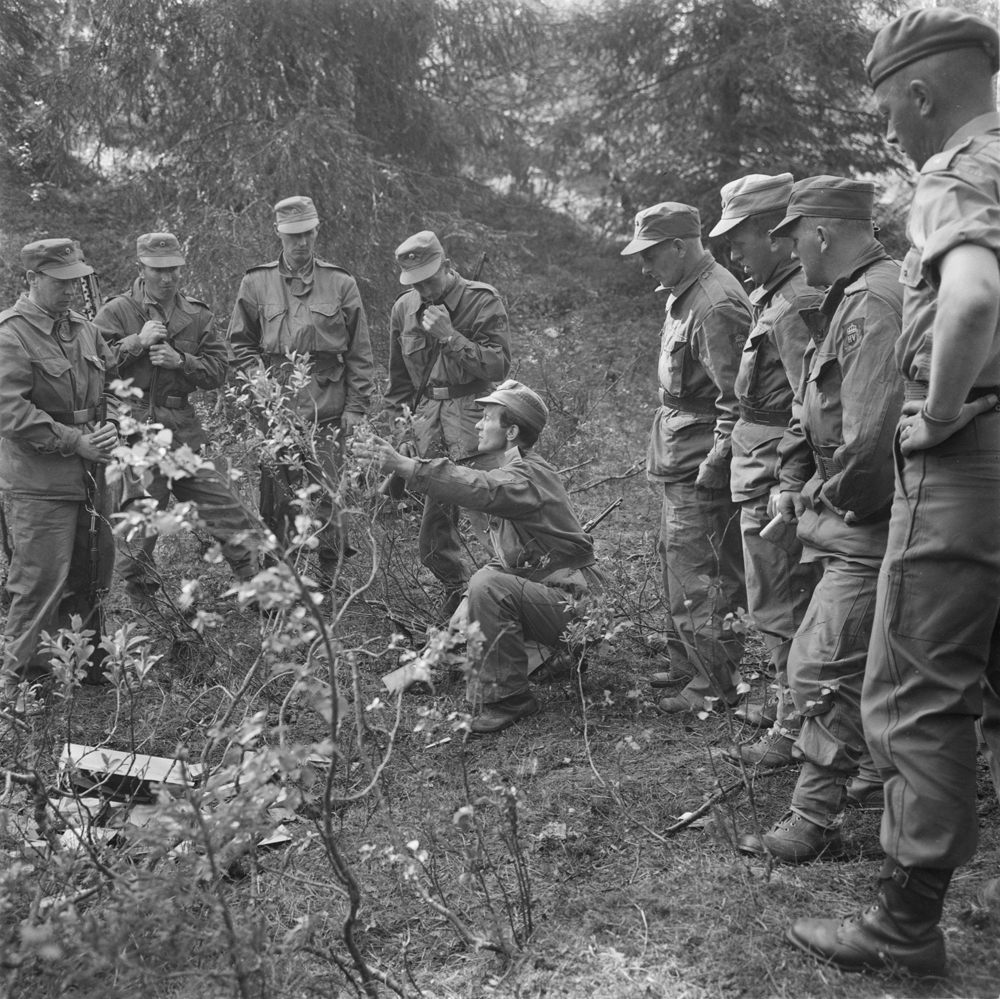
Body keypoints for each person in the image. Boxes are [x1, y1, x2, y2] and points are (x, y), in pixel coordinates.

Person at [788, 8, 1000, 976]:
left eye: (887, 110)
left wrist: (945, 409)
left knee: (916, 691)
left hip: (969, 462)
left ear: (918, 92)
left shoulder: (956, 174)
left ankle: (906, 921)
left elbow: (970, 300)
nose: (889, 132)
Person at [735, 177, 903, 864]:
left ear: (823, 232)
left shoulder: (874, 302)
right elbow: (816, 410)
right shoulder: (846, 299)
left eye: (791, 233)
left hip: (874, 513)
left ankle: (813, 816)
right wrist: (798, 479)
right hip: (858, 509)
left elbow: (869, 440)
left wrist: (821, 497)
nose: (786, 247)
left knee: (821, 662)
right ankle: (866, 772)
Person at [356, 380, 602, 734]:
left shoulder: (528, 476)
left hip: (578, 608)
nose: (477, 424)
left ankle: (509, 699)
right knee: (484, 584)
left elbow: (481, 489)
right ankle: (555, 658)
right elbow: (499, 570)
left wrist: (409, 467)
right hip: (559, 603)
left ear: (512, 431)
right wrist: (429, 659)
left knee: (487, 585)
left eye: (487, 418)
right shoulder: (514, 470)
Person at [706, 173, 824, 768]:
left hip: (777, 475)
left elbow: (816, 404)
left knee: (782, 604)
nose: (732, 253)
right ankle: (792, 705)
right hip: (760, 468)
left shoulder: (797, 302)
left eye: (741, 237)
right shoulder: (773, 296)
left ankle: (793, 725)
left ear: (777, 234)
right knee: (770, 599)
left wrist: (789, 483)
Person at [620, 203, 749, 715]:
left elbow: (740, 400)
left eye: (651, 255)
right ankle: (687, 663)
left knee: (705, 573)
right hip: (680, 454)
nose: (644, 267)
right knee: (678, 559)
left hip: (701, 464)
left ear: (679, 245)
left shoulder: (715, 304)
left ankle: (711, 685)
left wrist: (717, 461)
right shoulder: (686, 294)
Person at [95, 232, 258, 609]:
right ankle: (141, 610)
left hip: (181, 434)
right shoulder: (117, 312)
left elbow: (219, 371)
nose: (167, 278)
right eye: (158, 271)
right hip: (133, 436)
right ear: (140, 268)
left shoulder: (197, 315)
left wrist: (181, 361)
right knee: (140, 527)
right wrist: (136, 341)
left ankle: (256, 590)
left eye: (173, 270)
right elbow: (92, 367)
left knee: (226, 508)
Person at [228, 196, 375, 584]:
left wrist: (357, 406)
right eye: (293, 235)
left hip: (328, 404)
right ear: (279, 234)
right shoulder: (256, 282)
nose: (301, 243)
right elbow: (238, 344)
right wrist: (259, 381)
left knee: (328, 493)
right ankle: (278, 576)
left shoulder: (340, 282)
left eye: (307, 234)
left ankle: (330, 574)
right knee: (276, 497)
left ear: (316, 231)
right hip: (277, 410)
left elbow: (360, 350)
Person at [0, 239, 119, 709]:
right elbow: (8, 411)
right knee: (39, 581)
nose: (73, 290)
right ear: (32, 280)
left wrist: (111, 425)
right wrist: (74, 440)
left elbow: (113, 385)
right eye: (62, 282)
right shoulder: (11, 334)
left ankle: (84, 670)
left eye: (77, 280)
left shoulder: (86, 331)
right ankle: (22, 686)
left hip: (91, 477)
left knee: (93, 574)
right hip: (39, 485)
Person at [385, 230, 511, 619]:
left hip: (476, 426)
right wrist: (402, 431)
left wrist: (450, 336)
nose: (424, 289)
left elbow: (498, 367)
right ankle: (455, 592)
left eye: (429, 278)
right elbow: (400, 382)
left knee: (494, 523)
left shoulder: (482, 299)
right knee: (434, 534)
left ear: (448, 266)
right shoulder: (404, 309)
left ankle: (516, 596)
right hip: (428, 428)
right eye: (415, 282)